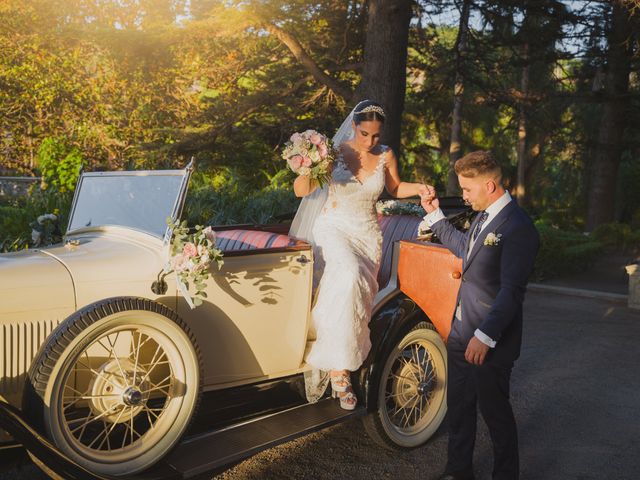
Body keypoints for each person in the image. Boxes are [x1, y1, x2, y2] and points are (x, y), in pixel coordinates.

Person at [291, 100, 427, 410]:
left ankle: (344, 353)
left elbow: (394, 187)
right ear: (354, 126)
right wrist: (311, 165)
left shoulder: (385, 154)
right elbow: (301, 190)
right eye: (365, 134)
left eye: (376, 136)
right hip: (333, 228)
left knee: (358, 290)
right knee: (348, 273)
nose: (370, 142)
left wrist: (420, 187)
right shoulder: (334, 153)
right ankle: (339, 370)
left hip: (367, 234)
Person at [419, 150, 539, 480]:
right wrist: (435, 216)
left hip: (490, 341)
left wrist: (484, 337)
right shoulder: (483, 216)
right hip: (461, 334)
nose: (463, 196)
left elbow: (511, 292)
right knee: (459, 410)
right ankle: (459, 471)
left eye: (467, 190)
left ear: (489, 185)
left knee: (495, 415)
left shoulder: (519, 228)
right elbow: (466, 251)